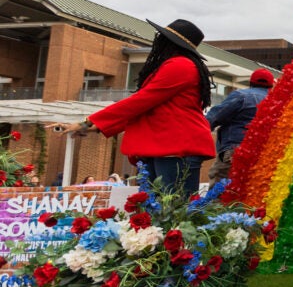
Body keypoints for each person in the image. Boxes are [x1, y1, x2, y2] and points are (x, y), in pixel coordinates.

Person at [50, 19, 215, 193]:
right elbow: (143, 109)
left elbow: (139, 102)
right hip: (167, 146)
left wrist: (87, 123)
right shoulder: (179, 65)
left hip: (175, 147)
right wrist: (92, 127)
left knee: (172, 213)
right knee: (159, 213)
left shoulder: (181, 65)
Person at [205, 68, 275, 183]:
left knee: (220, 189)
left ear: (251, 83)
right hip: (263, 154)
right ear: (271, 85)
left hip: (235, 150)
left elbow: (216, 116)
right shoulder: (277, 101)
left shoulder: (241, 96)